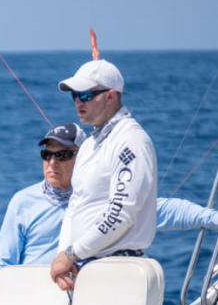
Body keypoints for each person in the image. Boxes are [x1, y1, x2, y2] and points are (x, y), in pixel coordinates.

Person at [0, 123, 218, 274]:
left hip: (90, 297)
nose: (52, 163)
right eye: (47, 155)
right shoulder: (22, 202)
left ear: (84, 157)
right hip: (39, 300)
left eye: (62, 155)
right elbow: (0, 268)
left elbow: (168, 210)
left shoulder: (103, 198)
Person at [49, 59, 157, 291]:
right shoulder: (89, 145)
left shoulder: (131, 140)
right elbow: (75, 206)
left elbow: (120, 212)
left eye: (86, 95)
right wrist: (63, 256)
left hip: (118, 270)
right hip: (84, 270)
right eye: (74, 96)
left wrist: (72, 253)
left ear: (111, 96)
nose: (78, 101)